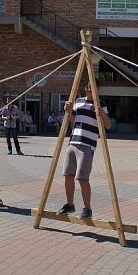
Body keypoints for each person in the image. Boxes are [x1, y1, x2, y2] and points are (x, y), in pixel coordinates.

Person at [56, 84, 111, 219]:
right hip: (73, 141)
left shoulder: (101, 104)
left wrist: (102, 114)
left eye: (91, 88)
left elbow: (108, 125)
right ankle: (70, 204)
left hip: (88, 143)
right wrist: (67, 111)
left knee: (82, 178)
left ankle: (87, 208)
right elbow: (74, 120)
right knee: (68, 174)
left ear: (97, 89)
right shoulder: (79, 101)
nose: (88, 90)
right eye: (86, 88)